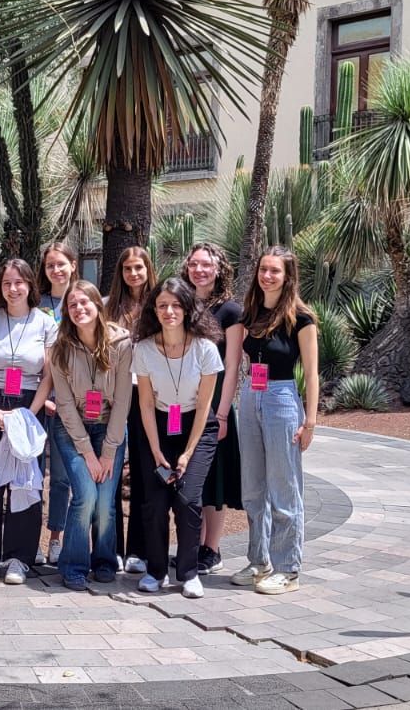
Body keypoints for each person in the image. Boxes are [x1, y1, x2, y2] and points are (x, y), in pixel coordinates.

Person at [232, 247, 320, 596]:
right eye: (263, 269)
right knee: (253, 487)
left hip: (282, 398)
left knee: (284, 487)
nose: (267, 276)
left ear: (287, 277)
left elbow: (312, 374)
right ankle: (259, 560)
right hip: (251, 396)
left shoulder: (301, 317)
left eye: (275, 271)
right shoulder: (250, 312)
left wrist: (310, 422)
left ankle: (288, 568)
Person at [0, 258, 57, 585]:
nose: (13, 288)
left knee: (26, 481)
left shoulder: (46, 323)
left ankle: (19, 557)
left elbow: (49, 374)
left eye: (19, 282)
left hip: (28, 406)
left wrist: (27, 415)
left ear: (31, 285)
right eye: (7, 283)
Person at [132, 277, 222, 598]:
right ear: (154, 310)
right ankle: (155, 572)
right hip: (157, 426)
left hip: (195, 428)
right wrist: (156, 450)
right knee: (155, 503)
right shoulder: (143, 349)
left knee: (187, 500)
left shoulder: (205, 349)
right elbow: (144, 402)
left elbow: (204, 406)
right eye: (162, 305)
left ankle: (188, 572)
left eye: (176, 305)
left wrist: (187, 453)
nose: (169, 311)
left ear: (187, 309)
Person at [49, 280, 133, 590]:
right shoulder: (60, 349)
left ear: (98, 305)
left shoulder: (122, 344)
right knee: (85, 496)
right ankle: (73, 564)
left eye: (85, 303)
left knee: (105, 502)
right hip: (73, 430)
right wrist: (88, 454)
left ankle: (104, 561)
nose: (79, 309)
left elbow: (123, 400)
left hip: (111, 427)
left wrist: (108, 453)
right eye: (72, 305)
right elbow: (66, 406)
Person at [182, 243, 244, 576]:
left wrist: (222, 414)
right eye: (194, 264)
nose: (200, 270)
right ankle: (192, 545)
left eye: (206, 265)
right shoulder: (182, 303)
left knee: (214, 480)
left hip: (215, 404)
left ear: (218, 268)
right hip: (185, 402)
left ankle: (212, 548)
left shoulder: (231, 311)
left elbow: (232, 365)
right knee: (193, 479)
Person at [106, 246, 154, 575]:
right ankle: (112, 550)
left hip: (147, 395)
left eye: (139, 268)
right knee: (109, 469)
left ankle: (138, 548)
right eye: (127, 269)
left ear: (148, 269)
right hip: (114, 396)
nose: (133, 274)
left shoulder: (158, 306)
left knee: (142, 470)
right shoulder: (109, 308)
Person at [35, 242, 79, 563]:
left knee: (62, 477)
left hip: (72, 407)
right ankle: (30, 539)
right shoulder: (37, 304)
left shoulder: (85, 301)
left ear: (73, 265)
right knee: (33, 473)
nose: (56, 270)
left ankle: (55, 538)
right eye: (50, 265)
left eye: (61, 264)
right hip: (39, 401)